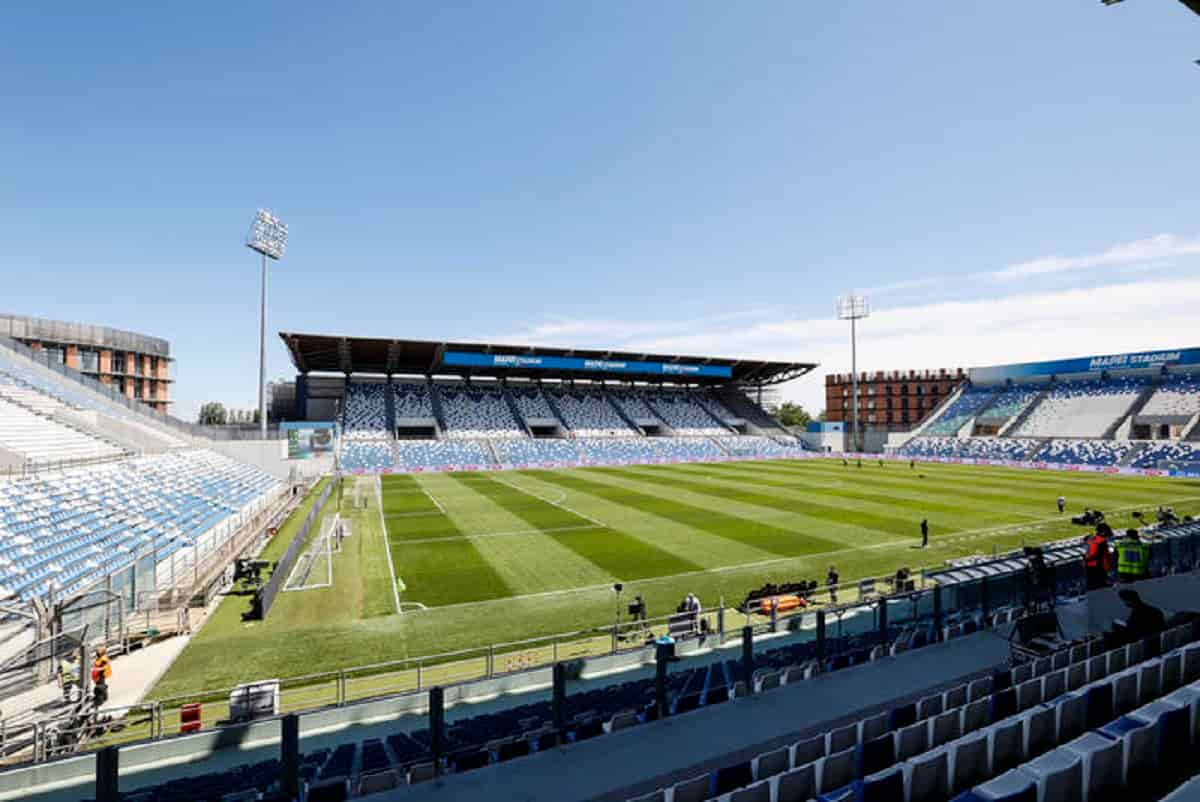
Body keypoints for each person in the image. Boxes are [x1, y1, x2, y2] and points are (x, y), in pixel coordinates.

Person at [1084, 523, 1113, 590]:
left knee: (1091, 586)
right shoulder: (1102, 541)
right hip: (1099, 567)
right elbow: (1099, 555)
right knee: (1100, 588)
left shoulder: (1091, 538)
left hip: (1089, 566)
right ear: (1102, 532)